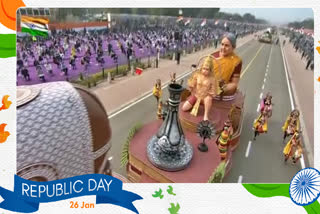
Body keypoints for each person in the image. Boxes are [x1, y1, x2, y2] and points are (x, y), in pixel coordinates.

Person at [182, 55, 218, 121]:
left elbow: (213, 91)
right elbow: (192, 84)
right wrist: (191, 85)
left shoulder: (212, 79)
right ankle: (194, 105)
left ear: (210, 70)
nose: (205, 71)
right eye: (204, 68)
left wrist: (209, 94)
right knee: (184, 108)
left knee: (209, 99)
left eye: (207, 69)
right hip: (196, 95)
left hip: (205, 97)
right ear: (201, 68)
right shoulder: (197, 75)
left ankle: (206, 115)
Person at [212, 33, 242, 97]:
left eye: (227, 45)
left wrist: (222, 89)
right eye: (222, 44)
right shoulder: (213, 56)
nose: (223, 48)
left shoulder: (237, 62)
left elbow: (234, 84)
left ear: (233, 47)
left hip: (222, 93)